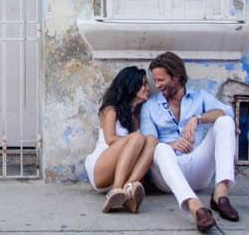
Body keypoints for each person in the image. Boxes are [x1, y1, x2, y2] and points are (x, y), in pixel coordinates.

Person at [140, 52, 240, 232]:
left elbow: (228, 112)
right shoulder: (150, 106)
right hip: (167, 174)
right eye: (155, 81)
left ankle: (221, 195)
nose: (157, 85)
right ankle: (196, 208)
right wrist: (172, 145)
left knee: (226, 121)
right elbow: (147, 142)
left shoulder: (199, 97)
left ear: (177, 77)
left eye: (161, 80)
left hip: (197, 168)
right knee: (161, 148)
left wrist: (197, 118)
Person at [85, 66, 158, 213]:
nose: (148, 88)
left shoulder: (138, 116)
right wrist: (136, 140)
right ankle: (115, 190)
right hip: (102, 168)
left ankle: (128, 189)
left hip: (126, 171)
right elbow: (110, 139)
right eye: (143, 84)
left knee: (151, 140)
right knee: (139, 137)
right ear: (132, 86)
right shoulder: (110, 110)